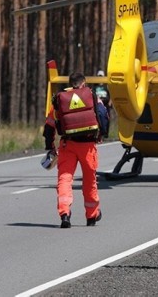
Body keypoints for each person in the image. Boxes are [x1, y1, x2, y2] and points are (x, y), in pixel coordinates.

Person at [43, 72, 106, 228]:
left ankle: (64, 214)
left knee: (64, 179)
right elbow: (103, 114)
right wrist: (101, 134)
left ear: (71, 83)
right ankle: (92, 215)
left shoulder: (60, 100)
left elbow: (49, 126)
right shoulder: (92, 96)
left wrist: (50, 147)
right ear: (83, 83)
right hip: (88, 146)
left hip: (67, 145)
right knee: (89, 180)